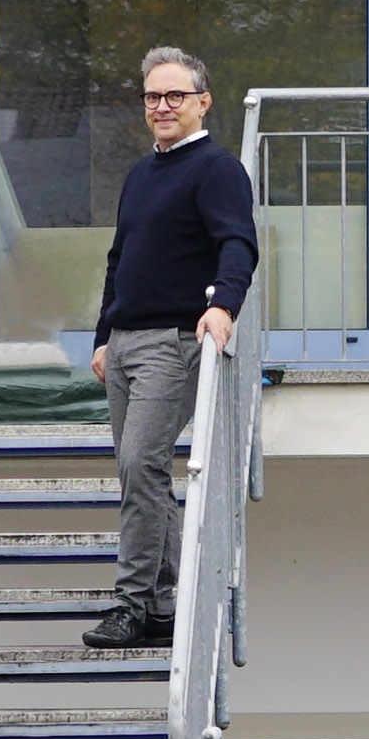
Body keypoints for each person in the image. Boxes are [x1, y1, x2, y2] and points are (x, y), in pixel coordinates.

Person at [87, 45, 258, 653]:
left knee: (141, 466)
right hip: (124, 346)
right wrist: (103, 336)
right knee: (143, 475)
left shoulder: (217, 170)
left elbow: (238, 244)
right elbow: (120, 260)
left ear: (202, 102)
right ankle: (163, 604)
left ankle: (131, 604)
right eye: (153, 97)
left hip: (172, 343)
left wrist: (223, 306)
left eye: (175, 96)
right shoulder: (141, 174)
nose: (162, 106)